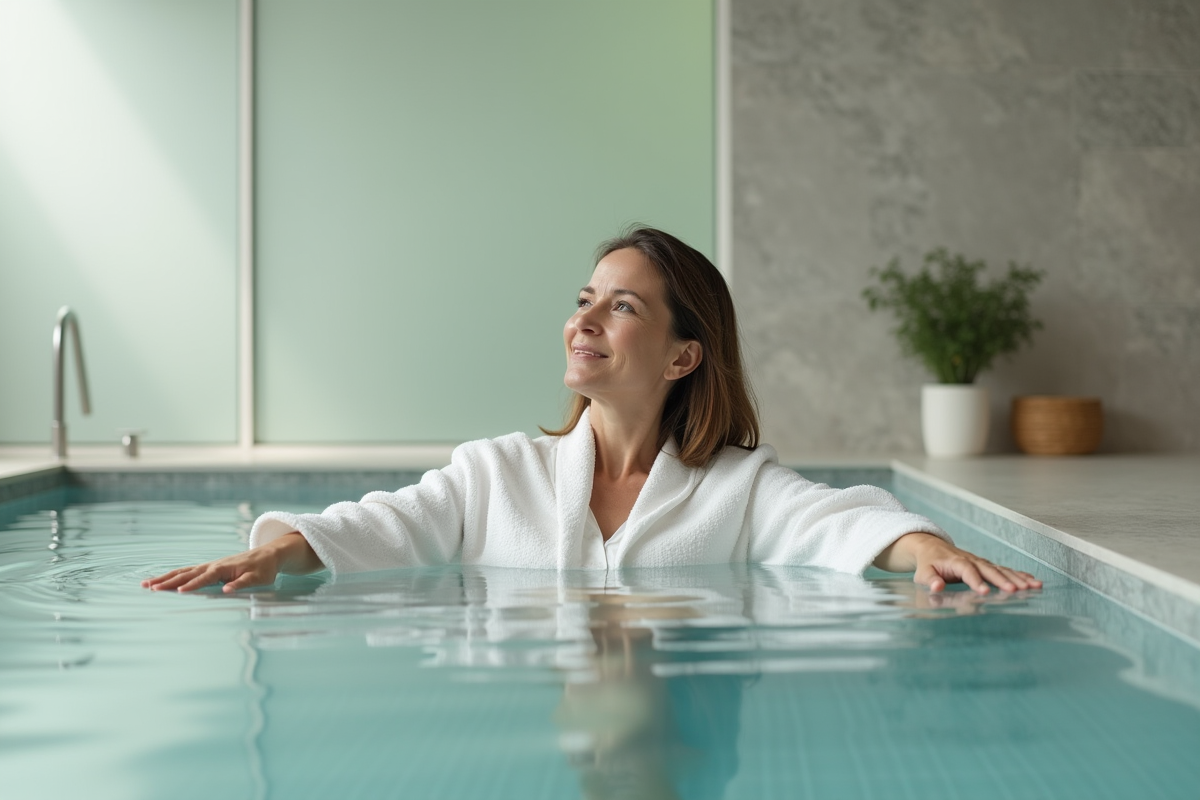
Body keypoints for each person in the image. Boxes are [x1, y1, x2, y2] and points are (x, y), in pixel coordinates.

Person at [144, 227, 1041, 596]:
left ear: (685, 355)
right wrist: (277, 551)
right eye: (586, 298)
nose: (584, 320)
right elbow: (386, 524)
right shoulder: (496, 473)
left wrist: (930, 551)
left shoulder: (736, 488)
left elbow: (841, 519)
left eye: (623, 306)